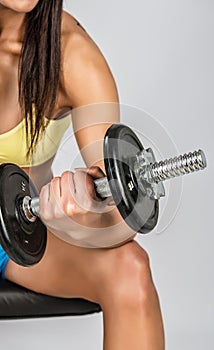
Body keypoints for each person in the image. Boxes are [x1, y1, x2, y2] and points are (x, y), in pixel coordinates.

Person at [0, 1, 165, 349]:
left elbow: (119, 224)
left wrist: (87, 207)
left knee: (130, 269)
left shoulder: (71, 55)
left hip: (12, 238)